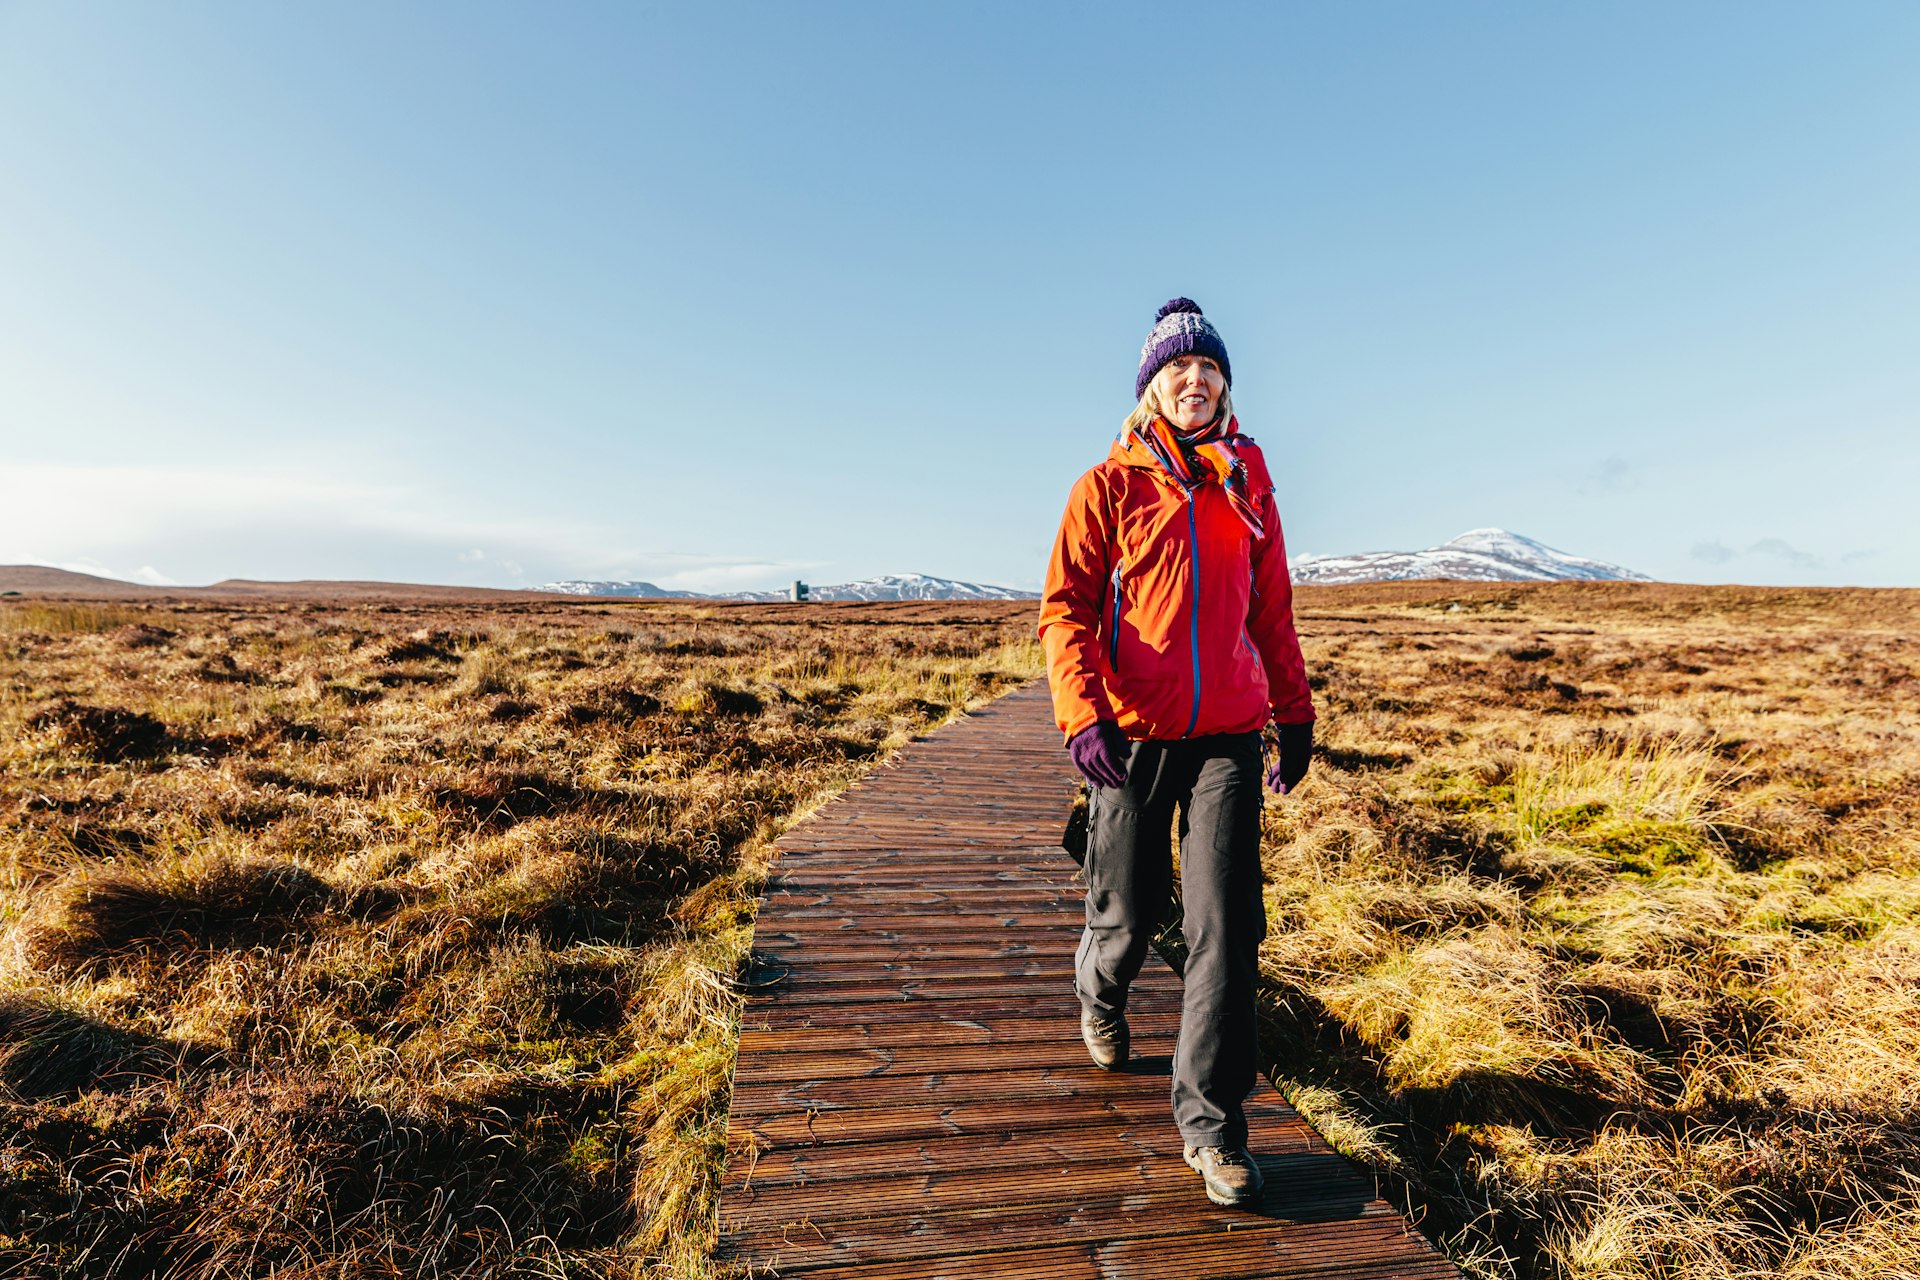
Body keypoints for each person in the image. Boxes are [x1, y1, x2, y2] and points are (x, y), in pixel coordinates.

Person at [1038, 298, 1315, 1209]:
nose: (1194, 382)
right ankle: (1102, 989)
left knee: (1226, 926)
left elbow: (1269, 607)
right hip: (1132, 735)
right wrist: (1084, 716)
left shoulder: (1248, 481)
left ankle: (1212, 1126)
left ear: (1224, 383)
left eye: (1209, 369)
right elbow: (1067, 609)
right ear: (1152, 386)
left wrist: (1294, 710)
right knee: (1129, 909)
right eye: (1177, 370)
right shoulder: (1108, 486)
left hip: (1229, 736)